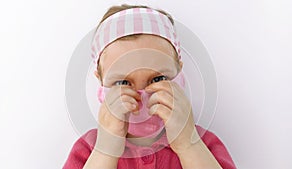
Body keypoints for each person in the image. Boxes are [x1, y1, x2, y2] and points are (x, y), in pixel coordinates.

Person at [63, 4, 236, 169]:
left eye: (158, 79)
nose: (142, 97)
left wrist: (188, 144)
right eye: (123, 83)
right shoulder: (88, 149)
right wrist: (105, 150)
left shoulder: (203, 144)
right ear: (101, 83)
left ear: (180, 75)